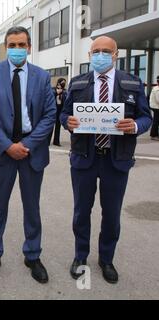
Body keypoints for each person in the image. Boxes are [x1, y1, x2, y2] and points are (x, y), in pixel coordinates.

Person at [60, 36, 152, 284]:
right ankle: (80, 256)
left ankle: (106, 259)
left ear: (115, 55)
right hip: (84, 158)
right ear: (90, 55)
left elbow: (146, 118)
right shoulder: (78, 82)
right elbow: (65, 113)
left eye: (105, 51)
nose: (100, 55)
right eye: (95, 51)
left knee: (111, 214)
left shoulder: (132, 83)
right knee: (81, 212)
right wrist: (67, 122)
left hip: (116, 159)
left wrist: (134, 125)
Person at [0, 26, 56, 284]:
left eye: (22, 44)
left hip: (31, 152)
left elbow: (49, 115)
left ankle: (32, 255)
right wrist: (7, 145)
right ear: (6, 47)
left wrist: (28, 144)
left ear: (29, 47)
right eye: (12, 44)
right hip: (3, 152)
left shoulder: (42, 76)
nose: (17, 49)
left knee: (32, 208)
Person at [48, 78, 67, 146]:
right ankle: (47, 141)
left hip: (60, 110)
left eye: (64, 83)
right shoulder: (53, 89)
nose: (63, 84)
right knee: (51, 127)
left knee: (58, 127)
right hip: (53, 110)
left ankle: (56, 141)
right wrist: (56, 93)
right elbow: (50, 97)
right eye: (62, 82)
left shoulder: (65, 91)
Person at [149, 76, 159, 140]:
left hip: (155, 106)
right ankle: (154, 135)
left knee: (156, 120)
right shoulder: (157, 89)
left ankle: (154, 134)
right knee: (156, 121)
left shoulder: (156, 88)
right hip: (156, 107)